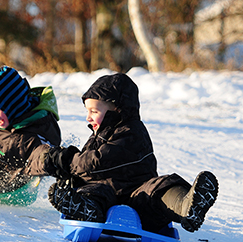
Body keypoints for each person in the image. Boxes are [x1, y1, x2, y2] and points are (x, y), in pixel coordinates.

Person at [25, 73, 218, 233]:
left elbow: (97, 163)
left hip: (137, 195)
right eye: (87, 111)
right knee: (94, 191)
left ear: (116, 108)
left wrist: (66, 160)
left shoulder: (131, 132)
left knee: (159, 188)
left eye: (94, 111)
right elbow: (83, 171)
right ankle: (85, 209)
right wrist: (65, 174)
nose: (88, 117)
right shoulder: (98, 136)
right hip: (106, 195)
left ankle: (187, 206)